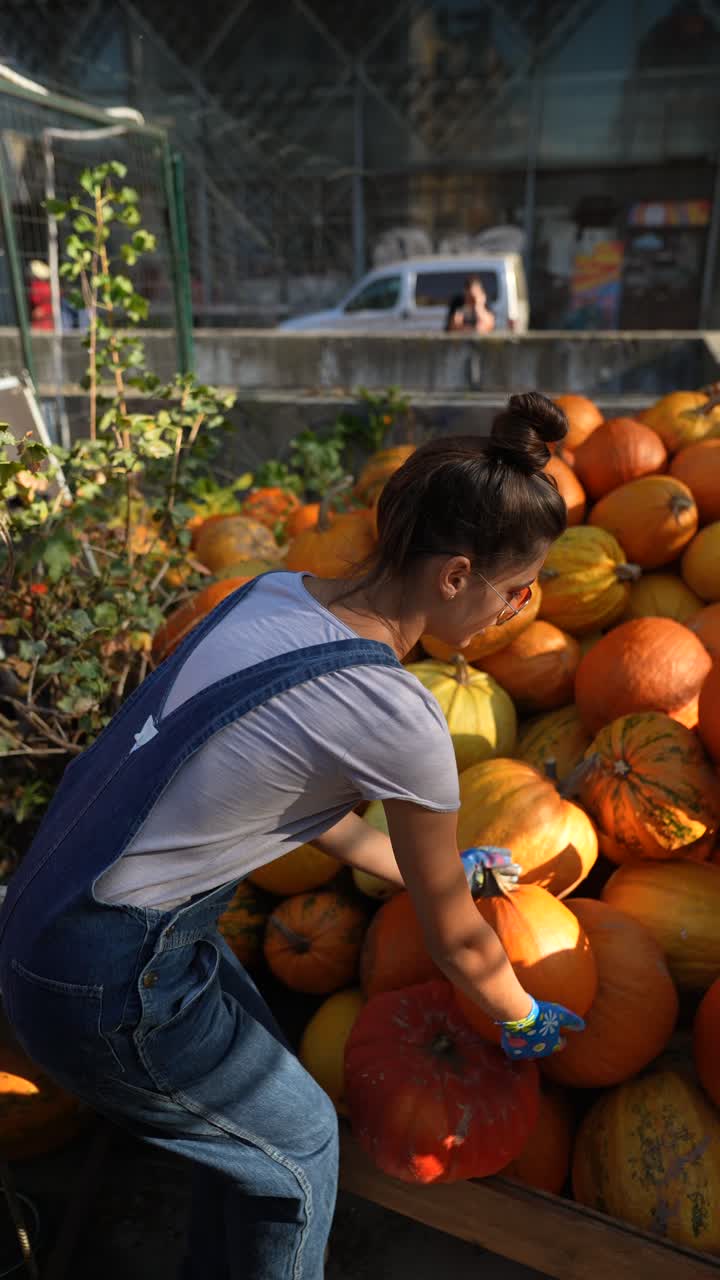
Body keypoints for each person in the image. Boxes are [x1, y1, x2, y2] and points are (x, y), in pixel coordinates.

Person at [0, 392, 584, 1280]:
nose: (519, 611)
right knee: (302, 1152)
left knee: (242, 1127)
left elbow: (278, 795)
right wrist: (524, 1014)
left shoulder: (274, 593)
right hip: (105, 975)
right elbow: (460, 943)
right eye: (515, 591)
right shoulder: (399, 714)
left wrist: (438, 867)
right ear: (456, 576)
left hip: (56, 906)